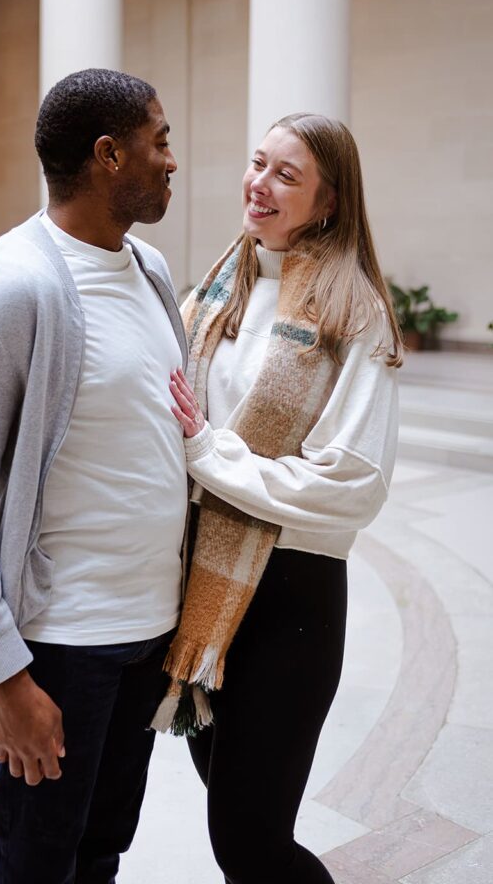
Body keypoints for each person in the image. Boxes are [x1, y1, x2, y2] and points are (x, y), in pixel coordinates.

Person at [0, 68, 188, 884]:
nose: (172, 160)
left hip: (146, 640)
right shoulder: (7, 297)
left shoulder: (150, 271)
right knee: (33, 865)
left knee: (102, 852)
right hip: (60, 654)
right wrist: (7, 679)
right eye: (158, 141)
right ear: (108, 156)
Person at [153, 113, 401, 884]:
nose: (258, 184)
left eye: (286, 175)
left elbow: (348, 486)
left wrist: (207, 453)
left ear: (328, 202)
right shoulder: (218, 290)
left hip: (290, 598)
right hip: (205, 593)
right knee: (228, 808)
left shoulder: (351, 311)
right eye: (257, 163)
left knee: (249, 840)